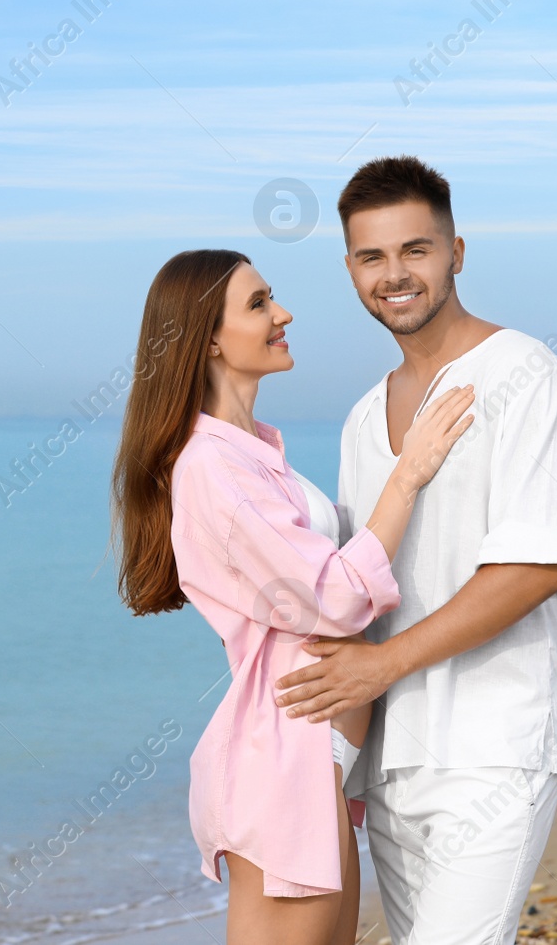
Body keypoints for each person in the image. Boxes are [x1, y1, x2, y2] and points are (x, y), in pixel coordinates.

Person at [112, 247, 474, 945]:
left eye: (271, 297)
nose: (284, 314)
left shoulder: (251, 452)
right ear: (207, 337)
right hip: (284, 760)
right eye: (258, 304)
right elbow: (332, 597)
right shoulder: (213, 467)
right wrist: (410, 474)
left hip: (317, 761)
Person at [274, 156, 557, 945]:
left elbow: (537, 566)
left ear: (456, 250)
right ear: (350, 269)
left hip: (495, 743)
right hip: (390, 760)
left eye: (416, 249)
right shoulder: (358, 419)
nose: (395, 274)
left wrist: (381, 665)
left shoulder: (524, 373)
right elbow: (353, 589)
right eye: (372, 256)